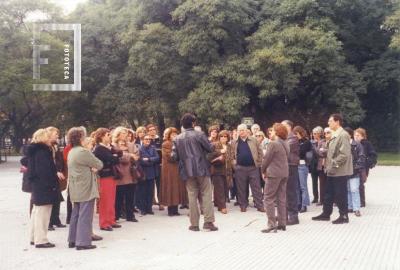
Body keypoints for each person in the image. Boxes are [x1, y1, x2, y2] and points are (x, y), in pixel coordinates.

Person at [172, 113, 218, 232]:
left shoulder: (177, 138)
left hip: (187, 171)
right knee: (206, 194)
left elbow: (174, 156)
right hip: (202, 168)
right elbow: (210, 148)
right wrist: (212, 143)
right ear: (193, 123)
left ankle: (194, 224)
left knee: (191, 196)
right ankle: (208, 222)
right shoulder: (199, 134)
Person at [67, 127, 103, 250]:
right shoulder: (83, 152)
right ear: (80, 138)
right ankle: (82, 242)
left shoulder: (72, 151)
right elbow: (99, 164)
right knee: (85, 215)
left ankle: (72, 239)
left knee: (76, 214)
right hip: (85, 186)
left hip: (76, 186)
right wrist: (91, 167)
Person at [312, 114, 353, 224]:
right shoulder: (335, 134)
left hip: (339, 170)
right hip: (331, 170)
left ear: (337, 122)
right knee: (328, 193)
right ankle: (326, 214)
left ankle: (344, 216)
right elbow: (332, 151)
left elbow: (344, 154)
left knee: (340, 193)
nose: (328, 123)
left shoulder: (343, 135)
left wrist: (333, 164)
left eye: (330, 121)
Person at [27, 129, 61, 248]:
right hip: (44, 186)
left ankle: (33, 237)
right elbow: (44, 171)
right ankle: (41, 240)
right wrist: (51, 185)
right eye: (48, 136)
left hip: (38, 185)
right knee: (43, 214)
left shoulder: (34, 150)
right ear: (43, 138)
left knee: (37, 212)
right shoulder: (42, 152)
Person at [261, 123, 290, 233]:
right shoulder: (286, 143)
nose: (270, 133)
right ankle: (282, 223)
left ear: (277, 132)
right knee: (281, 198)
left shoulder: (273, 144)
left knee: (268, 198)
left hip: (273, 174)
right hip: (284, 173)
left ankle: (271, 224)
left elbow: (266, 159)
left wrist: (262, 170)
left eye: (272, 131)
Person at [93, 128, 122, 231]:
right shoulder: (99, 149)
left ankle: (111, 220)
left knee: (111, 199)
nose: (110, 137)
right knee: (105, 200)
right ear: (101, 136)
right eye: (108, 135)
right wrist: (114, 157)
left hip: (111, 175)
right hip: (104, 176)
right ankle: (104, 223)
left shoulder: (108, 148)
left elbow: (119, 155)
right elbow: (113, 159)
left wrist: (114, 156)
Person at [231, 124, 265, 213]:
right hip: (240, 168)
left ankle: (259, 205)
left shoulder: (254, 140)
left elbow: (260, 152)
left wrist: (258, 163)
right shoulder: (234, 142)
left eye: (243, 130)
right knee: (241, 188)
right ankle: (243, 205)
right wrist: (235, 165)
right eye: (239, 130)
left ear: (247, 131)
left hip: (253, 168)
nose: (241, 132)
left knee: (256, 187)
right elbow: (231, 155)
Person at [112, 127, 140, 222]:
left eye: (126, 133)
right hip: (120, 174)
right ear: (118, 134)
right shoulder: (113, 145)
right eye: (123, 133)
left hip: (131, 173)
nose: (125, 135)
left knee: (130, 196)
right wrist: (130, 155)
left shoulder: (131, 145)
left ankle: (130, 215)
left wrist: (128, 156)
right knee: (118, 197)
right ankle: (116, 216)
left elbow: (136, 156)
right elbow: (118, 159)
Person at [160, 127, 187, 216]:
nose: (174, 136)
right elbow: (169, 157)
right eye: (172, 134)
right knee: (170, 188)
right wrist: (178, 154)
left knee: (176, 188)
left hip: (177, 168)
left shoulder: (178, 143)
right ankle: (170, 209)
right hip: (169, 169)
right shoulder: (165, 144)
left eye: (176, 134)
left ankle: (175, 209)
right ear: (168, 135)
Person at [207, 130, 233, 214]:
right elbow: (209, 156)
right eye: (221, 136)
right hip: (217, 169)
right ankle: (222, 207)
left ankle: (218, 204)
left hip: (227, 170)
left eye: (225, 136)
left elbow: (232, 156)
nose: (223, 138)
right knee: (220, 188)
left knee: (225, 188)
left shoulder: (229, 146)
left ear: (228, 138)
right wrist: (219, 152)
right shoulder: (214, 145)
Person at [46, 126, 67, 230]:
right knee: (50, 199)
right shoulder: (46, 147)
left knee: (57, 198)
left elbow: (58, 160)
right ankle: (49, 222)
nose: (57, 136)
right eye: (56, 134)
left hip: (57, 174)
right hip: (51, 175)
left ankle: (56, 219)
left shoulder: (55, 146)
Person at [281, 120, 300, 225]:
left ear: (289, 126)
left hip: (291, 166)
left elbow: (284, 149)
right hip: (286, 166)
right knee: (285, 192)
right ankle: (285, 214)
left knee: (291, 192)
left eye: (283, 126)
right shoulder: (286, 138)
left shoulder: (292, 137)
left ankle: (294, 216)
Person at [344, 128, 365, 217]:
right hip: (345, 171)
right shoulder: (343, 144)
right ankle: (350, 207)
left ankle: (356, 209)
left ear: (349, 135)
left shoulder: (357, 145)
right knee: (348, 189)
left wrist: (356, 167)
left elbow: (361, 156)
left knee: (354, 189)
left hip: (354, 171)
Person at [354, 128, 377, 207]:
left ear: (363, 136)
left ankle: (362, 202)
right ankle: (355, 201)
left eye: (358, 135)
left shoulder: (367, 144)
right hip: (354, 167)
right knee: (354, 184)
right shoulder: (352, 144)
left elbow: (373, 154)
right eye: (355, 135)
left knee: (360, 184)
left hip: (363, 167)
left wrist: (367, 162)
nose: (356, 137)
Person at [138, 134, 160, 215]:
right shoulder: (140, 149)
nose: (148, 141)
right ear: (143, 140)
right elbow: (141, 161)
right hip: (143, 173)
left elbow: (157, 158)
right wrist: (151, 161)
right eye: (146, 139)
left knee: (150, 191)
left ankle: (149, 208)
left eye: (149, 139)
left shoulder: (153, 148)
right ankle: (143, 209)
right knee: (143, 191)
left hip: (151, 173)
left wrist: (149, 159)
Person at [293, 126, 312, 213]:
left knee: (303, 186)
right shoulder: (295, 142)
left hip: (302, 165)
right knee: (296, 186)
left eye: (296, 134)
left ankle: (304, 205)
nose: (295, 136)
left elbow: (301, 152)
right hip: (295, 165)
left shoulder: (307, 142)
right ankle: (298, 203)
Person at [147, 124, 163, 211]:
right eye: (150, 130)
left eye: (154, 129)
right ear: (148, 131)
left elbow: (162, 151)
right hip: (150, 165)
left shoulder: (159, 140)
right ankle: (151, 201)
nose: (152, 131)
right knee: (150, 184)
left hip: (159, 165)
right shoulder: (147, 140)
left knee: (159, 184)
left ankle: (161, 202)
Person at [310, 126, 324, 204]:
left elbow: (321, 153)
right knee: (314, 181)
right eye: (313, 133)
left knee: (322, 182)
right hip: (313, 164)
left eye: (316, 133)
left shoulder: (323, 141)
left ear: (320, 134)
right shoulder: (311, 142)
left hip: (320, 164)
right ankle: (315, 197)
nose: (314, 135)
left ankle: (322, 199)